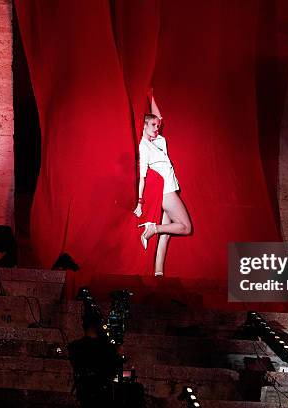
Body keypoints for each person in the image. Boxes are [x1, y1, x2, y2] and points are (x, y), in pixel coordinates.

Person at [133, 93, 192, 276]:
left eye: (158, 126)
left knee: (166, 235)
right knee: (185, 227)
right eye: (152, 125)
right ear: (143, 125)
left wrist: (151, 97)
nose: (157, 128)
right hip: (165, 191)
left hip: (170, 188)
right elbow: (142, 177)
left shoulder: (159, 141)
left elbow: (158, 118)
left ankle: (158, 273)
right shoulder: (143, 146)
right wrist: (140, 202)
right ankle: (153, 228)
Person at [68, 315, 123, 407]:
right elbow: (113, 368)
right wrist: (117, 354)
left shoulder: (75, 346)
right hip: (101, 390)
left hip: (85, 390)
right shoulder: (105, 347)